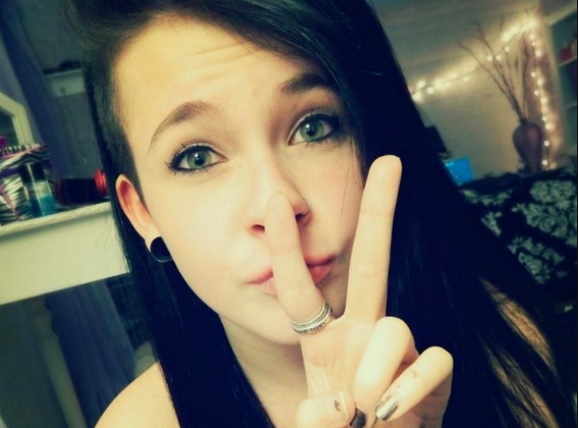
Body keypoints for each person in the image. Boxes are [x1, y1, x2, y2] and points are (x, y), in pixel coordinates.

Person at [64, 0, 576, 427]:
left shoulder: (503, 347)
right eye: (196, 157)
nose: (277, 204)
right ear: (141, 211)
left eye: (314, 127)